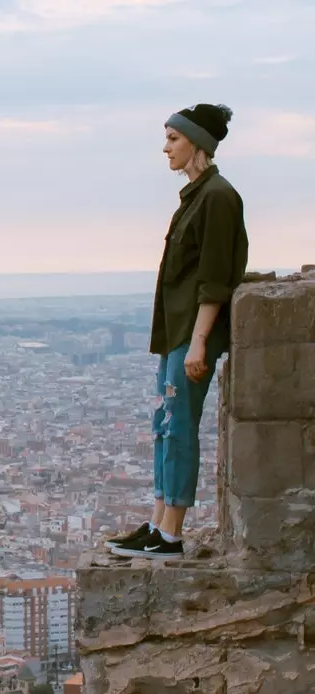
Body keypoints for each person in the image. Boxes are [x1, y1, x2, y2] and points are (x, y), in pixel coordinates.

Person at [107, 103, 249, 559]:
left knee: (180, 426)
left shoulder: (218, 197)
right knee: (165, 424)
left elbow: (214, 277)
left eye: (173, 139)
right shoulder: (196, 196)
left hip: (193, 331)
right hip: (177, 330)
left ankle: (172, 535)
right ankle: (157, 522)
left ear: (197, 144)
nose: (165, 147)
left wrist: (201, 342)